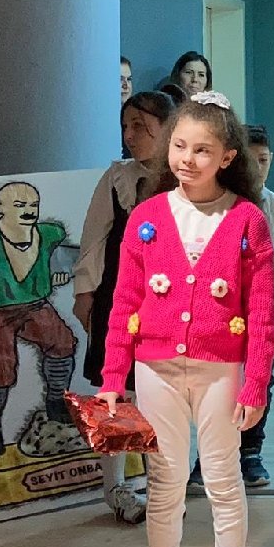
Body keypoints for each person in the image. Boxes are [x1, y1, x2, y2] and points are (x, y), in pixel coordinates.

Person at [98, 90, 274, 547]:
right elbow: (124, 302)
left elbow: (262, 313)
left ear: (227, 156)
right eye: (179, 146)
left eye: (202, 150)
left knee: (222, 478)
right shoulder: (147, 217)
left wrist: (255, 383)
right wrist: (112, 379)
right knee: (165, 481)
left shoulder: (247, 220)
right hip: (155, 368)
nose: (187, 159)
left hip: (221, 367)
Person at [74, 90, 178, 522]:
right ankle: (115, 488)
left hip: (170, 304)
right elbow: (94, 239)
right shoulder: (117, 179)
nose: (130, 135)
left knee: (164, 395)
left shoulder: (185, 176)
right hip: (118, 300)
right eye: (126, 127)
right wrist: (85, 294)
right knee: (116, 392)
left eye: (140, 126)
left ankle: (164, 488)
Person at [188, 124, 274, 490]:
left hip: (267, 314)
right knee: (217, 382)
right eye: (250, 161)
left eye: (263, 160)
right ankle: (209, 457)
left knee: (259, 381)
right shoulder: (216, 204)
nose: (257, 168)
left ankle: (251, 452)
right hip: (221, 311)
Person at [0, 183, 78, 458]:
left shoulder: (49, 233)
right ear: (0, 209)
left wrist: (57, 272)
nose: (28, 211)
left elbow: (68, 258)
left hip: (34, 304)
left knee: (62, 342)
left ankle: (57, 401)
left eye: (33, 205)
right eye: (19, 205)